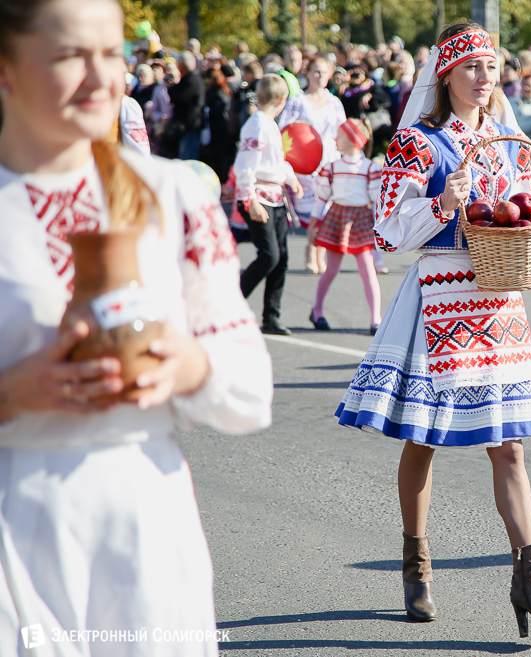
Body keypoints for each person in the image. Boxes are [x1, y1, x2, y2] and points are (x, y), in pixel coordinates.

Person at [0, 0, 273, 653]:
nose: (102, 77)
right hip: (16, 526)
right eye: (70, 55)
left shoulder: (171, 194)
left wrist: (188, 364)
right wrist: (12, 393)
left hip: (143, 520)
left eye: (111, 53)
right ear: (6, 67)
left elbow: (249, 387)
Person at [335, 22, 531, 636]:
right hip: (441, 292)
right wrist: (443, 203)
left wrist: (522, 219)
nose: (483, 76)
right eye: (470, 66)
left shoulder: (506, 140)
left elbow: (522, 207)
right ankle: (416, 567)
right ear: (444, 75)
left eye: (490, 66)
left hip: (496, 299)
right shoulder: (417, 141)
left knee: (510, 445)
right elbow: (388, 230)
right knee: (425, 437)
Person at [234, 74, 303, 336]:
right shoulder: (257, 124)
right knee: (269, 256)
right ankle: (230, 304)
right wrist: (250, 200)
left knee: (281, 258)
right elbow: (246, 164)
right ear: (282, 99)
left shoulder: (269, 123)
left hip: (274, 197)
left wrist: (290, 177)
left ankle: (271, 316)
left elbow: (274, 161)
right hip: (258, 197)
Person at [308, 119, 382, 333]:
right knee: (331, 269)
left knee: (368, 270)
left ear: (352, 140)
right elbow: (321, 199)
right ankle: (317, 311)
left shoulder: (369, 168)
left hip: (361, 219)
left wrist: (379, 229)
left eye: (339, 136)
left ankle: (376, 319)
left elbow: (375, 203)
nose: (335, 139)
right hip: (337, 217)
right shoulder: (331, 168)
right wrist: (312, 226)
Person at [278, 56, 347, 274]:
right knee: (312, 212)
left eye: (324, 72)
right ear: (307, 74)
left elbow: (342, 131)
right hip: (305, 163)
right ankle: (311, 249)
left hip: (329, 160)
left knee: (325, 211)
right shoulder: (297, 101)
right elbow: (284, 129)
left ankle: (318, 252)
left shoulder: (334, 102)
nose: (320, 76)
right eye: (316, 72)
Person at [169, 50, 206, 160]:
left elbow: (180, 98)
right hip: (186, 126)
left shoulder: (192, 80)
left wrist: (171, 88)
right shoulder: (191, 78)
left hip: (190, 126)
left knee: (187, 159)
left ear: (183, 65)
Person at [510, 74, 531, 139]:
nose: (526, 88)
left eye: (529, 86)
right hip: (511, 137)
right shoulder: (512, 101)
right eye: (524, 85)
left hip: (530, 140)